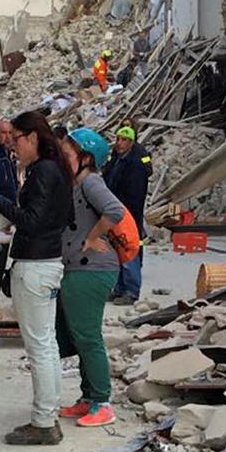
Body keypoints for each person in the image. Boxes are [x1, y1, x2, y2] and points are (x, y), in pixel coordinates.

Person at [0, 111, 73, 445]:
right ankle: (48, 415)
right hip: (47, 262)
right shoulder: (55, 169)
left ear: (32, 137)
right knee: (46, 344)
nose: (11, 146)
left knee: (39, 347)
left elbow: (31, 220)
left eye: (15, 138)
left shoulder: (43, 170)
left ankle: (44, 422)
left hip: (35, 265)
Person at [55, 127, 125, 428]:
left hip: (92, 269)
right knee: (78, 337)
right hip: (79, 268)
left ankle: (102, 402)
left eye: (67, 154)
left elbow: (114, 211)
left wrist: (93, 236)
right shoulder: (77, 183)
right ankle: (88, 398)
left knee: (88, 336)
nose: (62, 158)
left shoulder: (91, 181)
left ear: (85, 158)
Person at [103, 126, 150, 305]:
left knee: (129, 250)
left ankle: (131, 290)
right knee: (117, 250)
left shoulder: (136, 163)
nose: (119, 143)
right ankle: (119, 288)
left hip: (128, 213)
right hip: (116, 211)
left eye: (124, 140)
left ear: (131, 142)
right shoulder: (117, 159)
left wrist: (126, 213)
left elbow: (136, 193)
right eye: (118, 139)